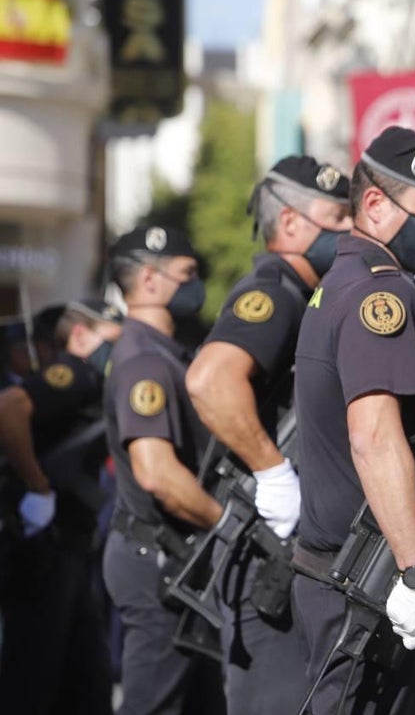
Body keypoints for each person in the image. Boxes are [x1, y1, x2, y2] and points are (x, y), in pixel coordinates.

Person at [290, 127, 415, 714]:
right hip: (367, 577)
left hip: (354, 571)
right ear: (374, 205)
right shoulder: (379, 295)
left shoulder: (345, 282)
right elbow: (374, 436)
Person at [185, 156, 351, 712]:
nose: (349, 228)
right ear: (290, 224)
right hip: (268, 548)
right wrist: (272, 471)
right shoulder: (275, 290)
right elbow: (210, 380)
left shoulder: (307, 295)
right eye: (336, 216)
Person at [101, 225, 227, 715]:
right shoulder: (144, 362)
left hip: (169, 557)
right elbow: (155, 472)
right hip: (158, 559)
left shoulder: (157, 353)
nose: (195, 284)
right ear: (149, 281)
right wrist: (224, 522)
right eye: (187, 274)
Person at [0, 298, 122, 714]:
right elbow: (9, 407)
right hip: (46, 543)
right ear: (81, 336)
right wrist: (38, 487)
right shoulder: (75, 373)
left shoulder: (94, 379)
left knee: (85, 678)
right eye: (112, 335)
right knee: (33, 675)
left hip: (70, 543)